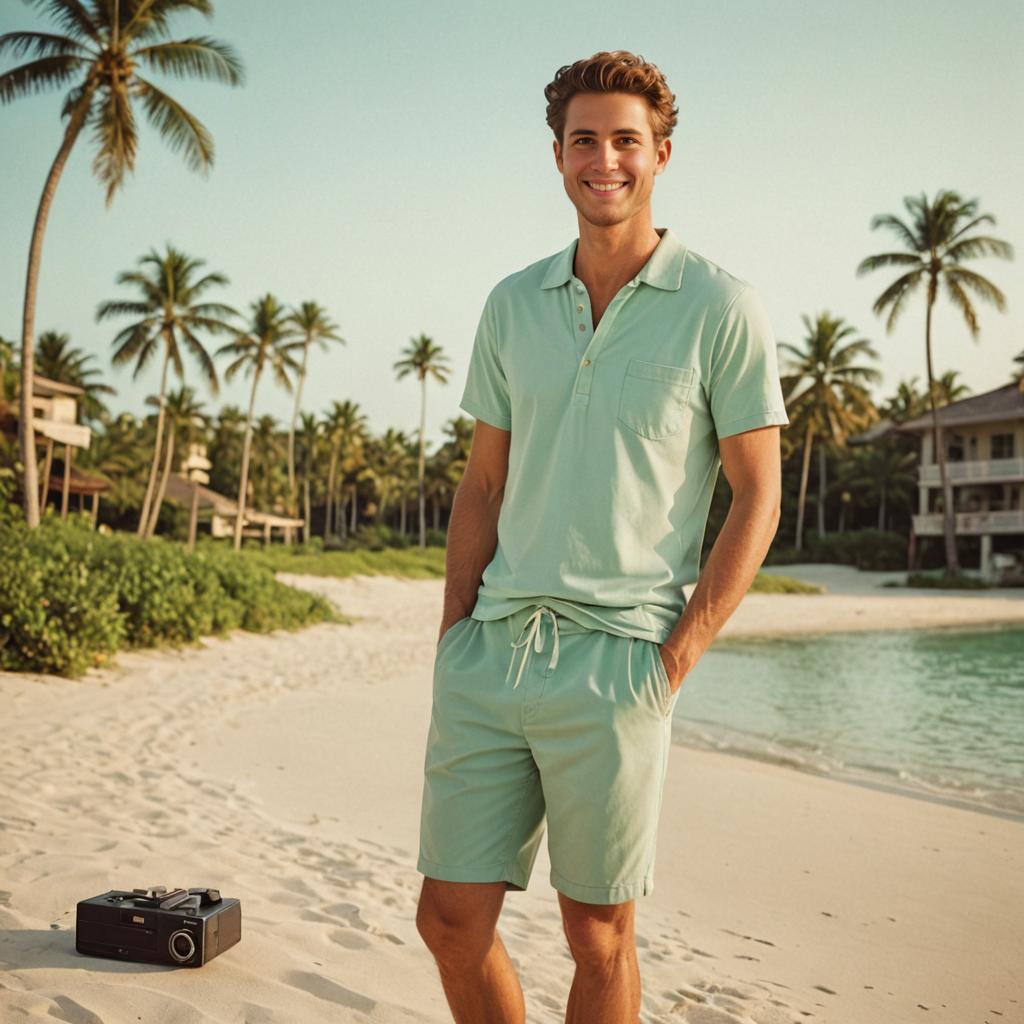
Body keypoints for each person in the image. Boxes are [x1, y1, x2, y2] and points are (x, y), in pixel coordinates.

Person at [414, 49, 789, 1023]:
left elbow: (757, 498)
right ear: (558, 157)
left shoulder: (721, 307)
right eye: (585, 140)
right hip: (491, 656)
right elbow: (485, 481)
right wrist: (454, 635)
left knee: (598, 935)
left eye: (627, 140)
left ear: (661, 153)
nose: (605, 159)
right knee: (448, 920)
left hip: (618, 662)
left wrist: (674, 656)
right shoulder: (511, 303)